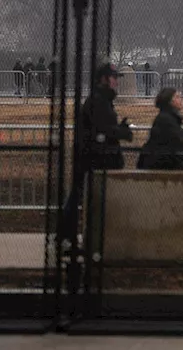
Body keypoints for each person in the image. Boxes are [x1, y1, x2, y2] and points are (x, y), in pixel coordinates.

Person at [59, 63, 133, 243]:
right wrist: (122, 132)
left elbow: (103, 128)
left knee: (80, 196)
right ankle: (67, 235)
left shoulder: (102, 99)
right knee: (79, 196)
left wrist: (118, 129)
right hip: (92, 156)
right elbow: (102, 130)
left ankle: (69, 234)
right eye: (114, 77)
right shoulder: (99, 101)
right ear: (104, 79)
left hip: (93, 155)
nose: (116, 81)